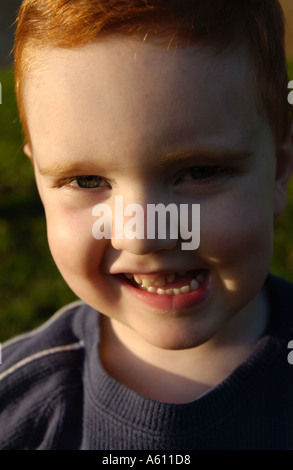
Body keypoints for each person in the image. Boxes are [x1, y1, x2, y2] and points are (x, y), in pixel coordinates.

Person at [0, 0, 293, 450]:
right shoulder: (14, 405)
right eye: (87, 180)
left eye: (199, 172)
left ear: (278, 169)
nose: (141, 234)